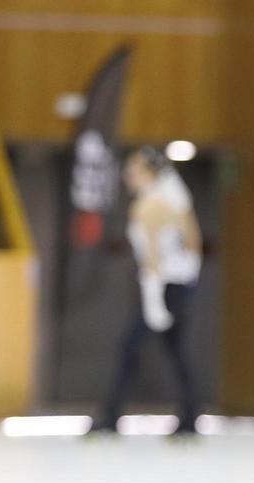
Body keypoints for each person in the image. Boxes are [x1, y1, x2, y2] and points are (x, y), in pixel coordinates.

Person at [90, 146, 202, 437]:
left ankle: (110, 418)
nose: (128, 175)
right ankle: (189, 418)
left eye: (134, 170)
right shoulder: (172, 199)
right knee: (175, 352)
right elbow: (191, 242)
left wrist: (154, 302)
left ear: (150, 173)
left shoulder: (149, 206)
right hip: (180, 283)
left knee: (132, 349)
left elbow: (151, 258)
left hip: (166, 287)